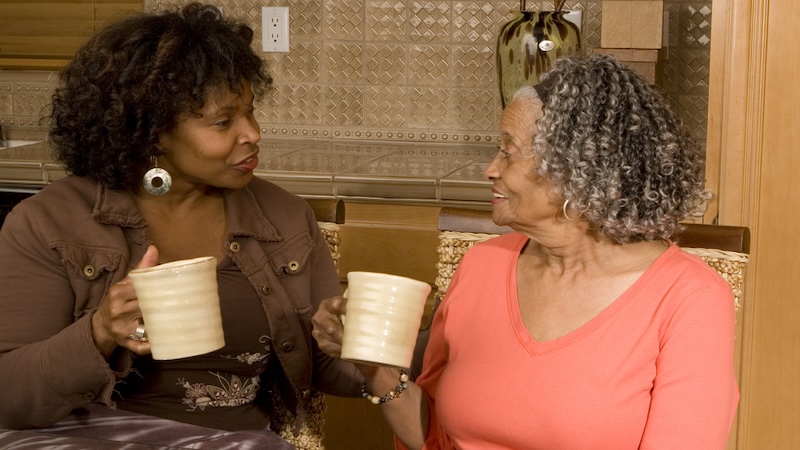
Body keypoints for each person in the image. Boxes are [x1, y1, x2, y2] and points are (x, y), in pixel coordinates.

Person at [312, 53, 739, 449]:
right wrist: (374, 367)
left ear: (575, 173)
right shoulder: (482, 265)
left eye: (508, 153)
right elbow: (437, 439)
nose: (490, 169)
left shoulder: (689, 298)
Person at [0, 3, 362, 447]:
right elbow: (8, 397)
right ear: (154, 133)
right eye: (223, 122)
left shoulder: (285, 217)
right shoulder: (50, 221)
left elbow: (332, 371)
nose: (252, 133)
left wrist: (363, 338)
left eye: (250, 112)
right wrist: (100, 331)